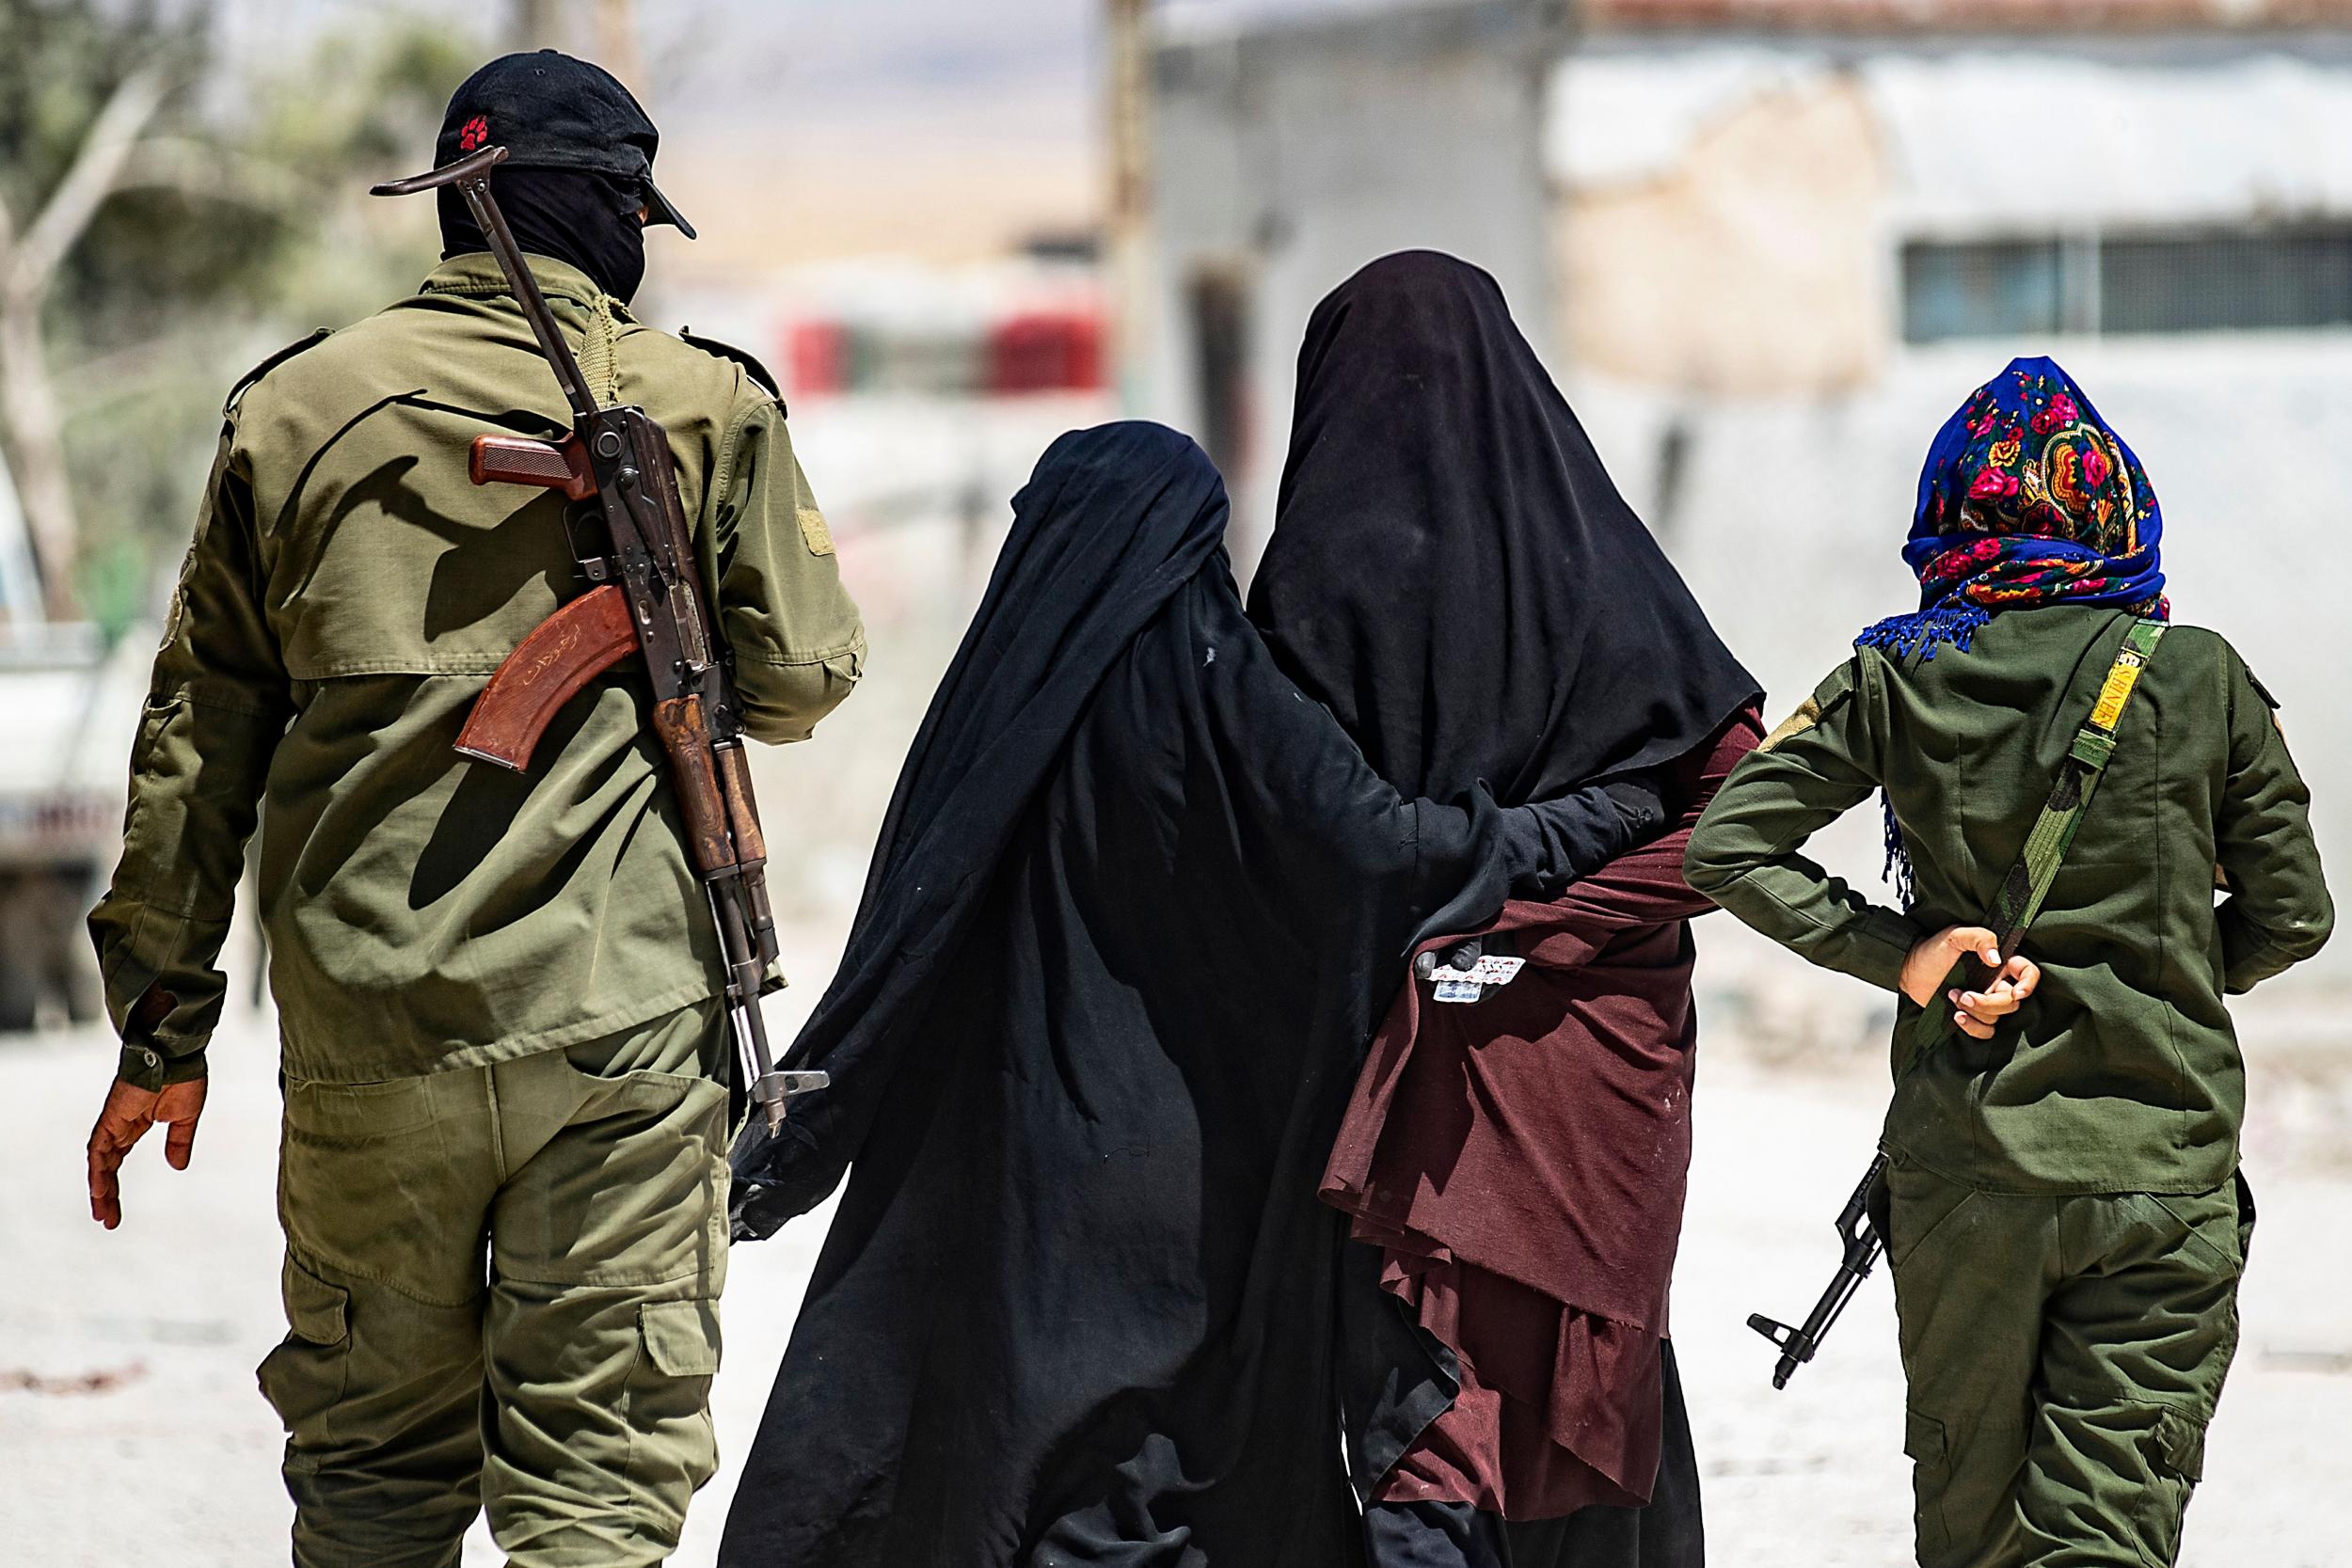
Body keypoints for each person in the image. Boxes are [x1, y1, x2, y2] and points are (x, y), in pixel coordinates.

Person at [82, 52, 865, 1568]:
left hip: (371, 1028)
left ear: (456, 206)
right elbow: (801, 679)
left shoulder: (289, 409)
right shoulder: (700, 401)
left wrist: (157, 1030)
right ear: (619, 215)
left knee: (373, 1476)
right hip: (621, 1028)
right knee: (596, 1493)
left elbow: (196, 744)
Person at [723, 421, 1669, 1567]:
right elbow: (1378, 845)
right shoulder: (1219, 684)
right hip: (1177, 1162)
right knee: (1147, 1459)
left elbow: (904, 926)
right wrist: (1589, 822)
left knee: (1013, 1435)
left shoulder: (995, 699)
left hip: (1008, 1157)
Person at [1684, 356, 2331, 1568]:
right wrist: (2171, 969)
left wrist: (1906, 956)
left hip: (1968, 1169)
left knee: (1974, 1532)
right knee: (2105, 1530)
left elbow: (1728, 848)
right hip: (2159, 1165)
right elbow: (2293, 915)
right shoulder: (2199, 677)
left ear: (1946, 511)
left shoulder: (1896, 670)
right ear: (2115, 507)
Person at [1245, 251, 1763, 1568]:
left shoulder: (1307, 585)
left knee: (1423, 1412)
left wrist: (1466, 901)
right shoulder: (1603, 569)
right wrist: (1560, 906)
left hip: (1397, 1076)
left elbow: (1279, 836)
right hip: (1584, 1078)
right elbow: (1739, 811)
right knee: (1561, 1393)